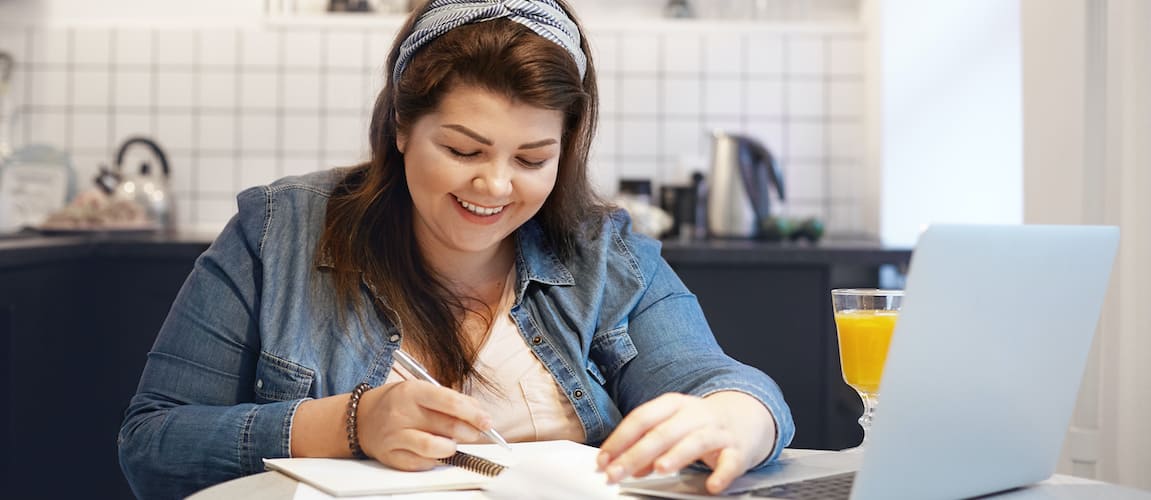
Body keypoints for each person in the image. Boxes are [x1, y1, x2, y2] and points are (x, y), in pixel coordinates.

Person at [117, 1, 795, 498]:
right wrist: (351, 423)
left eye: (533, 158)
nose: (495, 185)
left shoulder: (605, 255)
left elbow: (724, 384)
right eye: (463, 150)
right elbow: (152, 446)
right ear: (402, 128)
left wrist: (732, 420)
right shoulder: (278, 233)